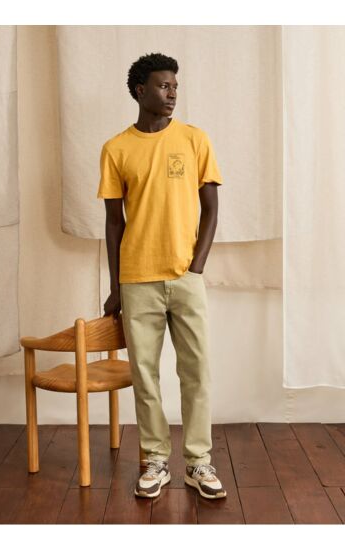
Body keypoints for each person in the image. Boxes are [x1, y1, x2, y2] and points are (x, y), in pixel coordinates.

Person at [96, 52, 227, 500]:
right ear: (140, 90)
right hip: (137, 280)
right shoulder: (116, 149)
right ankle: (155, 460)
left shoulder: (194, 139)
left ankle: (198, 462)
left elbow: (211, 209)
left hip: (186, 277)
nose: (172, 93)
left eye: (175, 86)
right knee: (145, 375)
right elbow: (114, 223)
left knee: (197, 372)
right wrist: (115, 286)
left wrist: (197, 266)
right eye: (163, 86)